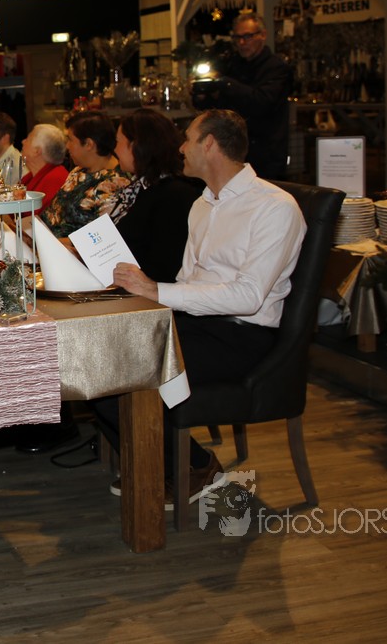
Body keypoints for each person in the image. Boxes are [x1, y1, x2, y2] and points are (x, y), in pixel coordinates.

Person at [94, 109, 306, 507]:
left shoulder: (275, 207)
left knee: (119, 373)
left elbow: (249, 297)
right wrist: (143, 289)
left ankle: (194, 466)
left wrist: (156, 290)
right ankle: (160, 462)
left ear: (209, 144)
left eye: (188, 139)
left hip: (242, 336)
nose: (181, 148)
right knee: (96, 364)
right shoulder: (202, 204)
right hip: (196, 324)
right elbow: (189, 281)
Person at [190, 11, 293, 179]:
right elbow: (218, 109)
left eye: (248, 36)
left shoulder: (276, 67)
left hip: (265, 155)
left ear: (263, 35)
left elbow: (261, 102)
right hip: (234, 153)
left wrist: (225, 83)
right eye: (237, 38)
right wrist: (203, 94)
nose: (242, 43)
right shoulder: (232, 65)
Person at [108, 109, 202, 282]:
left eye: (118, 142)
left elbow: (166, 267)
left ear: (137, 145)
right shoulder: (140, 188)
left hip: (145, 292)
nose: (114, 149)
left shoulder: (174, 195)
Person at [41, 111, 131, 237]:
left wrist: (46, 242)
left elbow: (100, 238)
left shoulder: (116, 183)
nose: (67, 146)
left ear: (89, 144)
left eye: (70, 140)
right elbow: (53, 214)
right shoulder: (78, 171)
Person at [19, 124, 68, 216]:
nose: (23, 141)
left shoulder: (55, 179)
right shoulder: (31, 176)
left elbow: (36, 220)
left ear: (37, 151)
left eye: (28, 139)